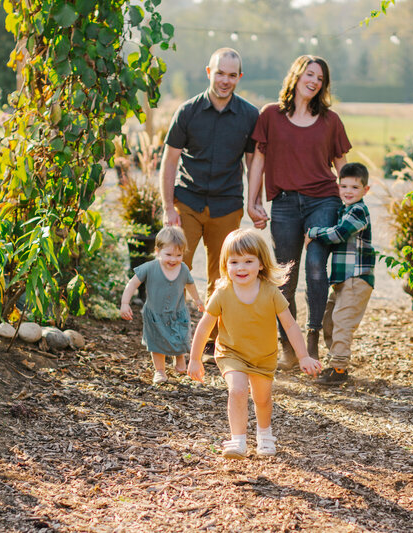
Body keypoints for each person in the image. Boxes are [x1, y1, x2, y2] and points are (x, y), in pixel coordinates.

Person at [247, 55, 351, 370]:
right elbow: (259, 162)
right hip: (286, 204)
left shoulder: (330, 120)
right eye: (310, 74)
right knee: (284, 277)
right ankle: (288, 347)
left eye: (320, 78)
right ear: (296, 75)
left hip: (324, 199)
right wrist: (252, 202)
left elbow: (341, 165)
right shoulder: (270, 115)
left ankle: (313, 338)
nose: (315, 81)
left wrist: (352, 201)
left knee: (317, 266)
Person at [160, 47, 262, 362]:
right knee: (175, 271)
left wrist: (254, 203)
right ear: (209, 72)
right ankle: (170, 340)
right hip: (187, 202)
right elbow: (170, 161)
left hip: (226, 204)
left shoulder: (249, 115)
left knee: (223, 276)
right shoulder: (188, 111)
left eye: (232, 75)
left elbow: (253, 164)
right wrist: (168, 207)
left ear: (239, 77)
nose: (225, 80)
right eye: (220, 73)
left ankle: (211, 342)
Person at [187, 229, 321, 459]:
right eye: (234, 262)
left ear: (260, 264)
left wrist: (304, 356)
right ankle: (238, 440)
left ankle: (265, 434)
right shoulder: (222, 293)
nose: (241, 268)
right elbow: (204, 327)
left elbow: (289, 325)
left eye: (248, 261)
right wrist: (195, 358)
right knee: (238, 390)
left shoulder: (270, 292)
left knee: (262, 399)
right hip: (231, 352)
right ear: (226, 264)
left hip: (263, 356)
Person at [305, 162, 375, 385]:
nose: (348, 191)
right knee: (330, 320)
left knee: (342, 322)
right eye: (343, 186)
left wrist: (314, 232)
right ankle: (335, 363)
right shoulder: (345, 210)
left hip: (356, 278)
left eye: (354, 187)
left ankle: (339, 369)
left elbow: (339, 234)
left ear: (366, 190)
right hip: (344, 279)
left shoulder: (358, 211)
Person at [120, 226, 205, 385]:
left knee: (179, 337)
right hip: (155, 315)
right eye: (169, 255)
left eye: (179, 255)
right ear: (157, 251)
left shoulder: (183, 269)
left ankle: (179, 356)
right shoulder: (149, 268)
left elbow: (190, 285)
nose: (173, 259)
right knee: (157, 343)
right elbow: (132, 284)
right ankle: (160, 371)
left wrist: (197, 300)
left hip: (177, 312)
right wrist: (125, 303)